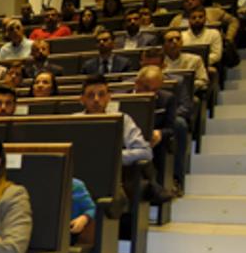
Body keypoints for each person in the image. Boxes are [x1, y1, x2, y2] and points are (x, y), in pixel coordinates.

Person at [135, 65, 191, 194]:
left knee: (167, 138)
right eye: (146, 88)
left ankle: (161, 187)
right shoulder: (123, 96)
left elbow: (170, 128)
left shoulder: (167, 98)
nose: (150, 94)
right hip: (129, 138)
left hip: (153, 138)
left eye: (155, 90)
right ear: (137, 83)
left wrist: (160, 133)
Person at [75, 76, 152, 165]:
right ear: (82, 99)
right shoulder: (72, 121)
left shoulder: (122, 119)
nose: (96, 99)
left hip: (114, 170)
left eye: (101, 94)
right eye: (90, 95)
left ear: (108, 98)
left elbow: (145, 151)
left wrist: (112, 157)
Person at [161, 29, 210, 97]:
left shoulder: (195, 60)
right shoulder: (157, 62)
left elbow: (204, 81)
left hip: (188, 95)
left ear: (182, 42)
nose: (175, 42)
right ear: (163, 45)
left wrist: (186, 87)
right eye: (170, 40)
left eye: (178, 39)